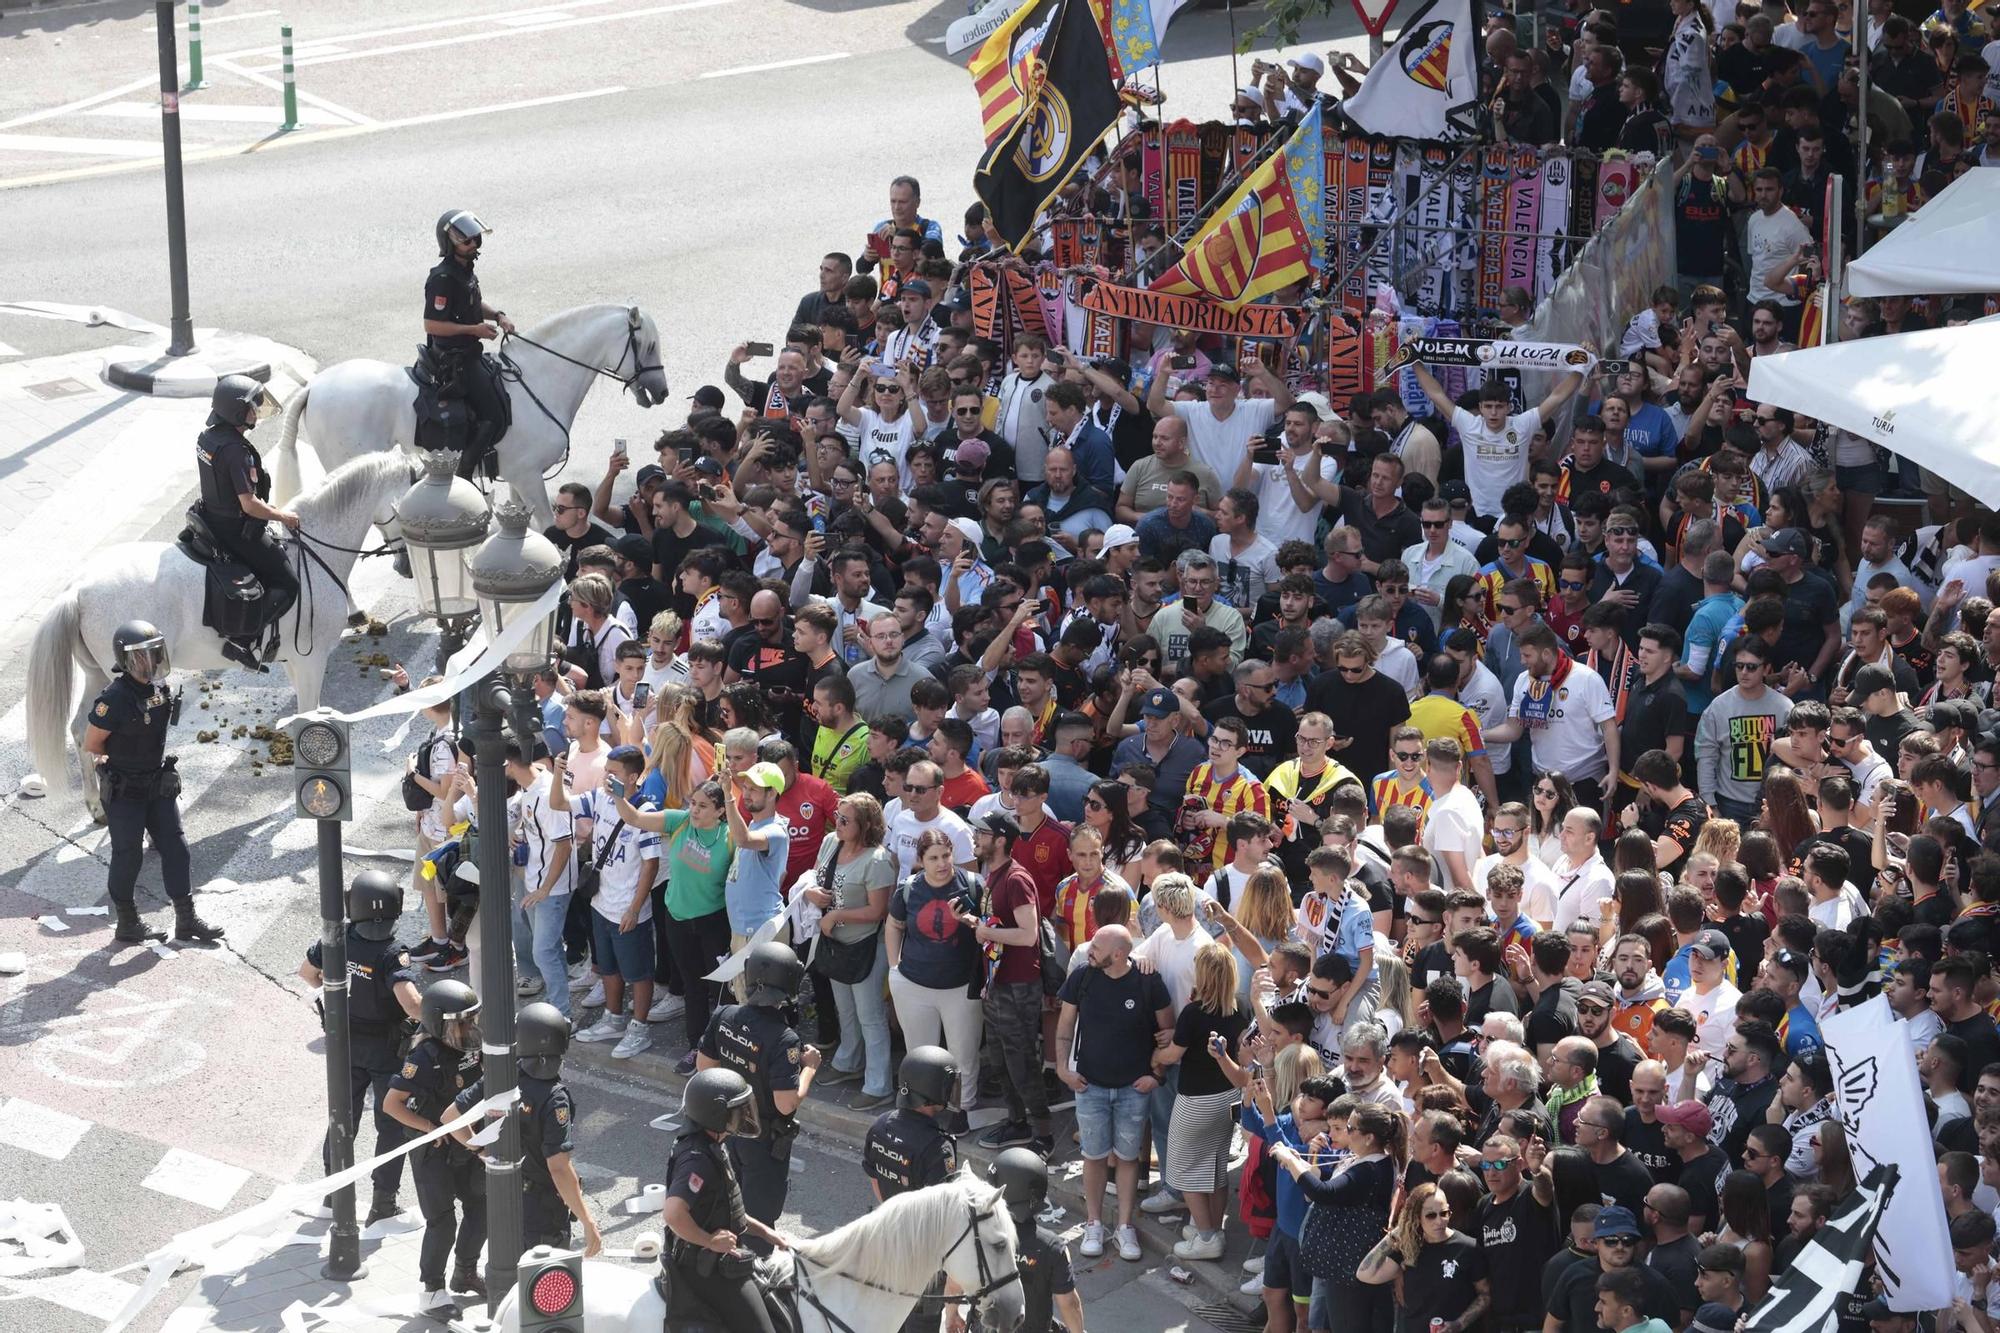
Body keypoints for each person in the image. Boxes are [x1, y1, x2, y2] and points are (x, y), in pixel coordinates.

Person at [86, 621, 224, 945]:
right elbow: (93, 743)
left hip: (156, 785)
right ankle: (128, 923)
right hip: (124, 791)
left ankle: (186, 920)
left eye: (153, 654)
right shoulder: (114, 698)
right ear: (127, 660)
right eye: (141, 657)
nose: (149, 662)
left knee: (177, 848)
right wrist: (120, 762)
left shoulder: (160, 690)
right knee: (128, 855)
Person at [299, 871, 421, 1226]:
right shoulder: (392, 953)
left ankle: (333, 1196)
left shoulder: (338, 939)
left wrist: (337, 990)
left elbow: (307, 973)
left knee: (342, 1119)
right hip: (387, 1051)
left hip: (345, 1047)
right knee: (391, 1125)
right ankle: (383, 1204)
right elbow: (411, 1004)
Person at [446, 1001, 602, 1256]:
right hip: (542, 1213)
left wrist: (481, 1151)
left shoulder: (501, 1078)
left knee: (511, 1284)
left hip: (503, 1199)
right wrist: (587, 1220)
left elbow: (451, 1117)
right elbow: (559, 1168)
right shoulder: (554, 1098)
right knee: (543, 1290)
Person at [1057, 923, 1174, 1263]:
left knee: (1128, 1158)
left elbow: (1167, 1032)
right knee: (1092, 1156)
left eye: (1096, 945)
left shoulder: (1147, 981)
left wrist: (1157, 1075)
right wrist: (1064, 1070)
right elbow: (1065, 1026)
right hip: (1089, 1085)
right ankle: (1093, 1222)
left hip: (1133, 1089)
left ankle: (1124, 1226)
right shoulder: (1082, 976)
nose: (1088, 949)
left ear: (1120, 955)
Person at [696, 941, 819, 1239]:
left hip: (725, 1128)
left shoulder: (723, 1015)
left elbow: (704, 1068)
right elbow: (786, 1104)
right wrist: (810, 1068)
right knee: (758, 1224)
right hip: (761, 1140)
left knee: (726, 1205)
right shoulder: (784, 1039)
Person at [658, 1068, 790, 1333]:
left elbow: (725, 1207)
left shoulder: (713, 1144)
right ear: (716, 1114)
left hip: (720, 1254)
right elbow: (673, 1213)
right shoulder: (698, 1159)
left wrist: (765, 1232)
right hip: (704, 1268)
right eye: (737, 1110)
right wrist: (710, 1241)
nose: (743, 1116)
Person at [383, 979, 486, 1319]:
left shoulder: (474, 1047)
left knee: (481, 1208)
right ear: (440, 1022)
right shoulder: (423, 1056)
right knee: (442, 1221)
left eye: (472, 1019)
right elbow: (391, 1105)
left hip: (467, 1142)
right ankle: (432, 1290)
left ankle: (466, 1272)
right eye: (461, 1022)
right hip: (435, 1150)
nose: (469, 1028)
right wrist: (430, 1127)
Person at [193, 376, 300, 669]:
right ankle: (242, 641)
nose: (257, 410)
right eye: (252, 406)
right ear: (238, 413)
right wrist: (282, 516)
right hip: (234, 529)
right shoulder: (236, 451)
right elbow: (249, 505)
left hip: (210, 517)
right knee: (288, 583)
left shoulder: (208, 438)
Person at [886, 828, 985, 1135]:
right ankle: (920, 1110)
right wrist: (894, 967)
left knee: (963, 1054)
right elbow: (894, 925)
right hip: (914, 984)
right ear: (920, 860)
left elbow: (989, 930)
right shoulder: (908, 889)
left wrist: (971, 922)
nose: (942, 863)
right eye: (933, 858)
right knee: (919, 1052)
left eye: (946, 855)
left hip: (960, 987)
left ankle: (962, 1110)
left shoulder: (973, 886)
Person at [422, 209, 513, 481]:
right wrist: (475, 330)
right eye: (468, 241)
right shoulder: (443, 279)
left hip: (471, 352)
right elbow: (432, 325)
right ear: (450, 244)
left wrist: (498, 315)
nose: (474, 245)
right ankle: (464, 473)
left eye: (476, 240)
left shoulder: (465, 271)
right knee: (493, 416)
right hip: (453, 358)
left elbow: (473, 303)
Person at [1355, 1182, 1491, 1333]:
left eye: (1444, 1213)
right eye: (1431, 1215)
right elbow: (1364, 1273)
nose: (1439, 1221)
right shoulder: (1408, 1247)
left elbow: (1485, 1294)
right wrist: (1395, 1234)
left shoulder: (1468, 1247)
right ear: (1417, 1217)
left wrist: (1459, 1324)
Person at [988, 1147, 1087, 1333]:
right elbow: (1068, 1303)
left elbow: (955, 1283)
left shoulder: (978, 1237)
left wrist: (953, 1314)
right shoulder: (1051, 1247)